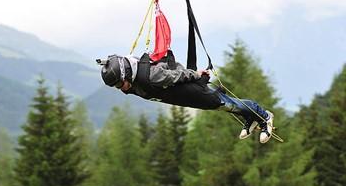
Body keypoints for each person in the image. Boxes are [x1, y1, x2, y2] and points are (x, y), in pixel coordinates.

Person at [97, 53, 274, 143]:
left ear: (126, 74)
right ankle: (250, 118)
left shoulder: (150, 76)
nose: (120, 88)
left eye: (120, 84)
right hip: (183, 97)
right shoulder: (133, 79)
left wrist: (196, 74)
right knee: (224, 106)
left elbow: (175, 75)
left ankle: (263, 115)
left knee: (223, 103)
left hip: (190, 90)